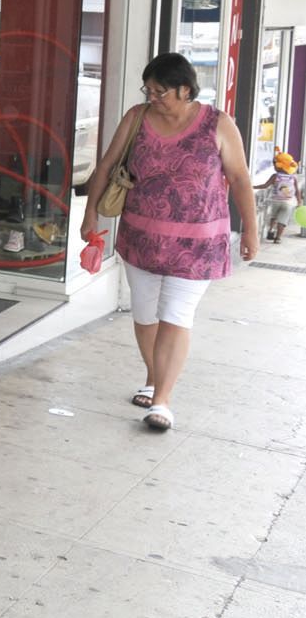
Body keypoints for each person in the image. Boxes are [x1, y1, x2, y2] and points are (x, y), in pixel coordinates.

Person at [81, 52, 258, 432]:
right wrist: (89, 214)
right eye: (148, 90)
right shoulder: (137, 118)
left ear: (185, 89)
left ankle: (162, 400)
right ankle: (152, 376)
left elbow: (240, 179)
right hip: (140, 239)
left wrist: (251, 232)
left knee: (176, 316)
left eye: (160, 91)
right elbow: (109, 165)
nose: (152, 97)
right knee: (145, 315)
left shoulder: (218, 123)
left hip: (198, 246)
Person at [262, 150, 298, 243]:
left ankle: (271, 231)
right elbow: (297, 190)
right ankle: (278, 238)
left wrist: (253, 186)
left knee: (273, 216)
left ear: (279, 165)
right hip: (288, 202)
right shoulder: (293, 177)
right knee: (283, 220)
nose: (274, 167)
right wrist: (299, 201)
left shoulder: (275, 176)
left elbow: (265, 185)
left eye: (275, 165)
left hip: (276, 201)